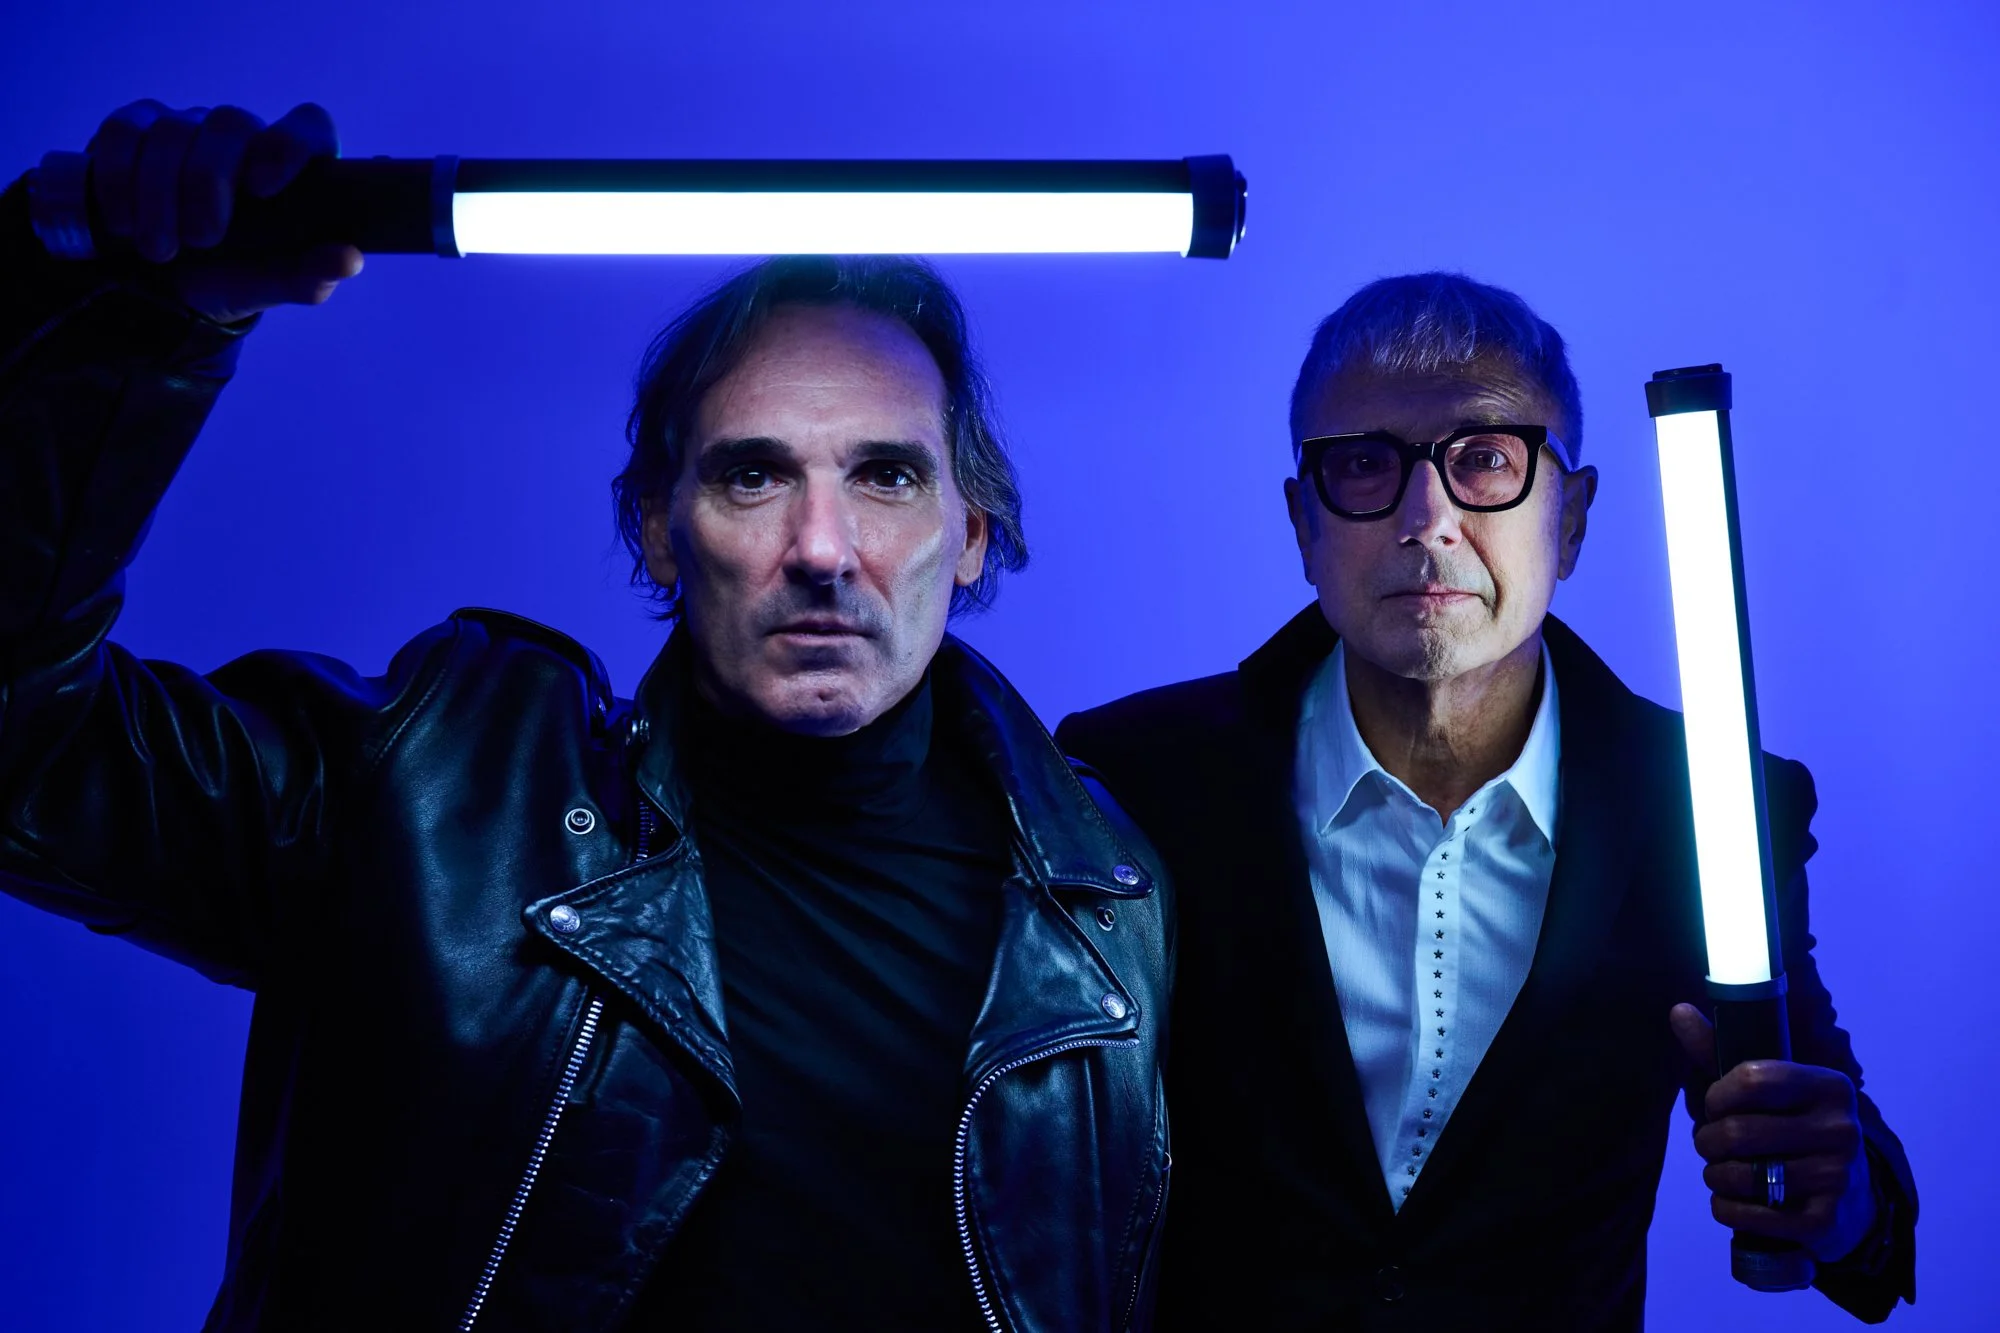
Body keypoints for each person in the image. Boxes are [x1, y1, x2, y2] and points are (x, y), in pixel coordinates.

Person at [0, 100, 1173, 1333]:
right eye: (752, 474)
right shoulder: (432, 798)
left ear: (969, 533)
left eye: (885, 475)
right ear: (658, 529)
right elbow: (25, 744)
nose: (822, 548)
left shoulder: (1110, 910)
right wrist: (128, 315)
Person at [1057, 273, 1915, 1329]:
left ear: (1572, 520)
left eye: (1486, 460)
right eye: (1363, 464)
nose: (1428, 521)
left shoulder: (1709, 808)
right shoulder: (1132, 779)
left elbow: (1866, 1224)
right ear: (1302, 523)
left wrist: (1837, 1197)